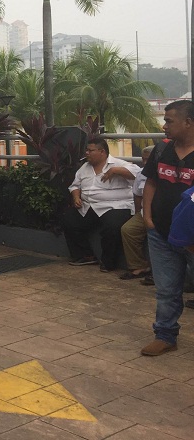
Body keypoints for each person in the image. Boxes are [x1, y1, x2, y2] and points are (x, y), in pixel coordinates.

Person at [140, 100, 194, 357]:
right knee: (167, 289)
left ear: (188, 122)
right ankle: (165, 335)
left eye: (169, 120)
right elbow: (151, 182)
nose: (164, 126)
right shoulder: (162, 150)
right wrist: (148, 218)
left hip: (192, 239)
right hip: (161, 234)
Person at [63, 136, 139, 272]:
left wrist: (115, 171)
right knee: (69, 219)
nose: (87, 153)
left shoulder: (118, 164)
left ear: (102, 152)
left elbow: (138, 175)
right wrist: (76, 197)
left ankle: (108, 263)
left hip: (115, 205)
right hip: (89, 206)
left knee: (112, 227)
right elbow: (74, 186)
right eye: (86, 150)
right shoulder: (84, 168)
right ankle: (86, 256)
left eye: (90, 150)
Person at [119, 146, 155, 282]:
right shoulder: (141, 173)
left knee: (159, 235)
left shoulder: (165, 172)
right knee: (128, 230)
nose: (145, 162)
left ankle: (159, 273)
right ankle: (139, 266)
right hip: (145, 212)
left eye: (148, 159)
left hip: (164, 213)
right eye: (143, 159)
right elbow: (137, 195)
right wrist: (137, 213)